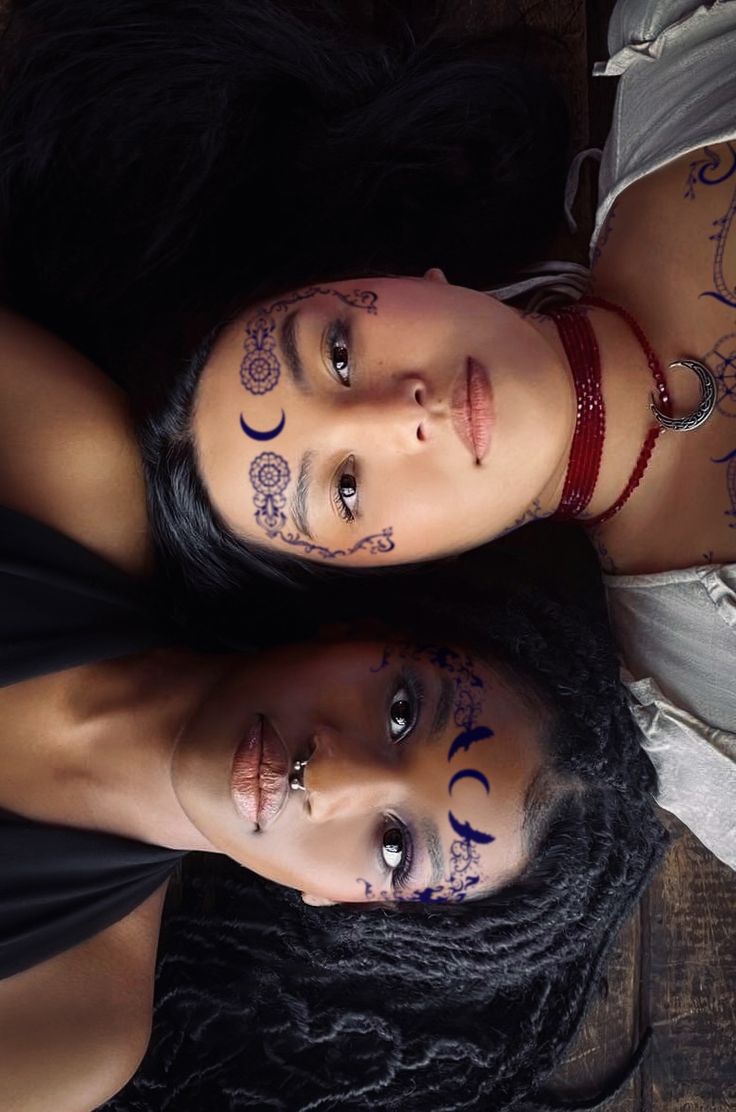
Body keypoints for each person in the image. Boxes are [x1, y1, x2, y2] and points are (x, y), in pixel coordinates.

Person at [0, 308, 665, 1111]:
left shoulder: (71, 1023)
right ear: (363, 629)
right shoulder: (64, 459)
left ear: (346, 905)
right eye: (399, 713)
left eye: (391, 849)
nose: (330, 775)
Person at [139, 0, 736, 869]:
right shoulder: (706, 725)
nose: (401, 414)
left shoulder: (673, 30)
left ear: (384, 274)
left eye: (339, 352)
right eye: (345, 488)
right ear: (394, 570)